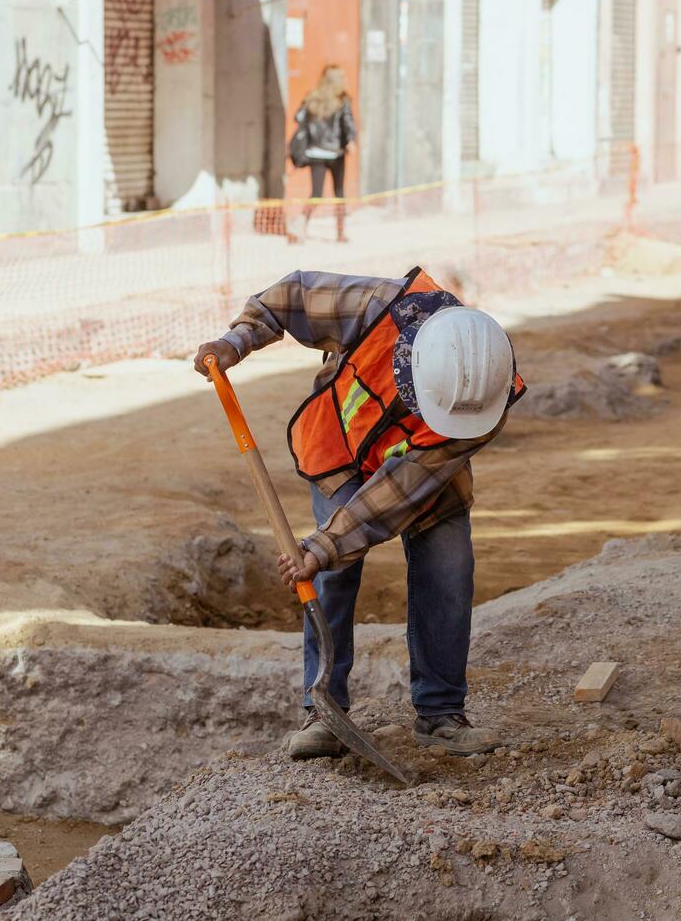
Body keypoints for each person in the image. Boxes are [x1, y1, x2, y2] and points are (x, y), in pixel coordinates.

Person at [194, 268, 525, 759]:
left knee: (448, 571)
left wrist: (325, 545)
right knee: (332, 575)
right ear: (409, 366)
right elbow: (287, 298)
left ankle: (440, 714)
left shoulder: (485, 395)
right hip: (339, 449)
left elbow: (397, 491)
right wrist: (235, 341)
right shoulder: (375, 307)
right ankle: (322, 709)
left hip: (423, 474)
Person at [291, 65, 357, 242]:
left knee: (316, 193)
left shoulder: (312, 98)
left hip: (316, 153)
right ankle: (340, 233)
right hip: (336, 154)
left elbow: (298, 118)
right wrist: (351, 140)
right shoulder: (342, 100)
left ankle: (301, 225)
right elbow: (348, 122)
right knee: (339, 193)